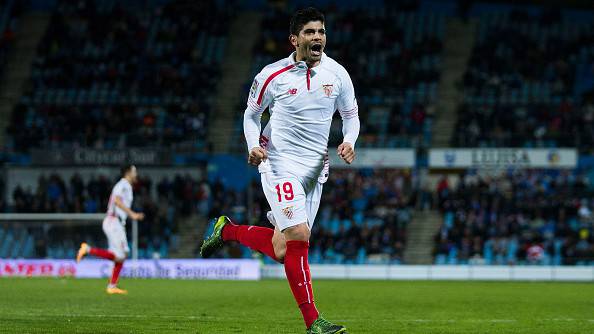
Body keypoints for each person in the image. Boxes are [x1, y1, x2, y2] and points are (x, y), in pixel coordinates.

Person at [200, 7, 359, 334]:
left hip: (316, 169)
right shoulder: (271, 75)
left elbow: (351, 115)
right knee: (299, 236)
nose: (317, 37)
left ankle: (226, 230)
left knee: (282, 248)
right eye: (310, 32)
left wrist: (349, 140)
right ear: (294, 39)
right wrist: (252, 146)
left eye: (321, 31)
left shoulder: (338, 74)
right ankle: (314, 321)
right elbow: (251, 115)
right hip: (279, 162)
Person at [76, 164, 145, 294]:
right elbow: (117, 201)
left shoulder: (127, 186)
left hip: (117, 223)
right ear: (128, 172)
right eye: (134, 171)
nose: (136, 174)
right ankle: (88, 249)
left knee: (122, 255)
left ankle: (112, 286)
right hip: (113, 221)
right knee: (120, 255)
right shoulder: (123, 184)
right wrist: (133, 214)